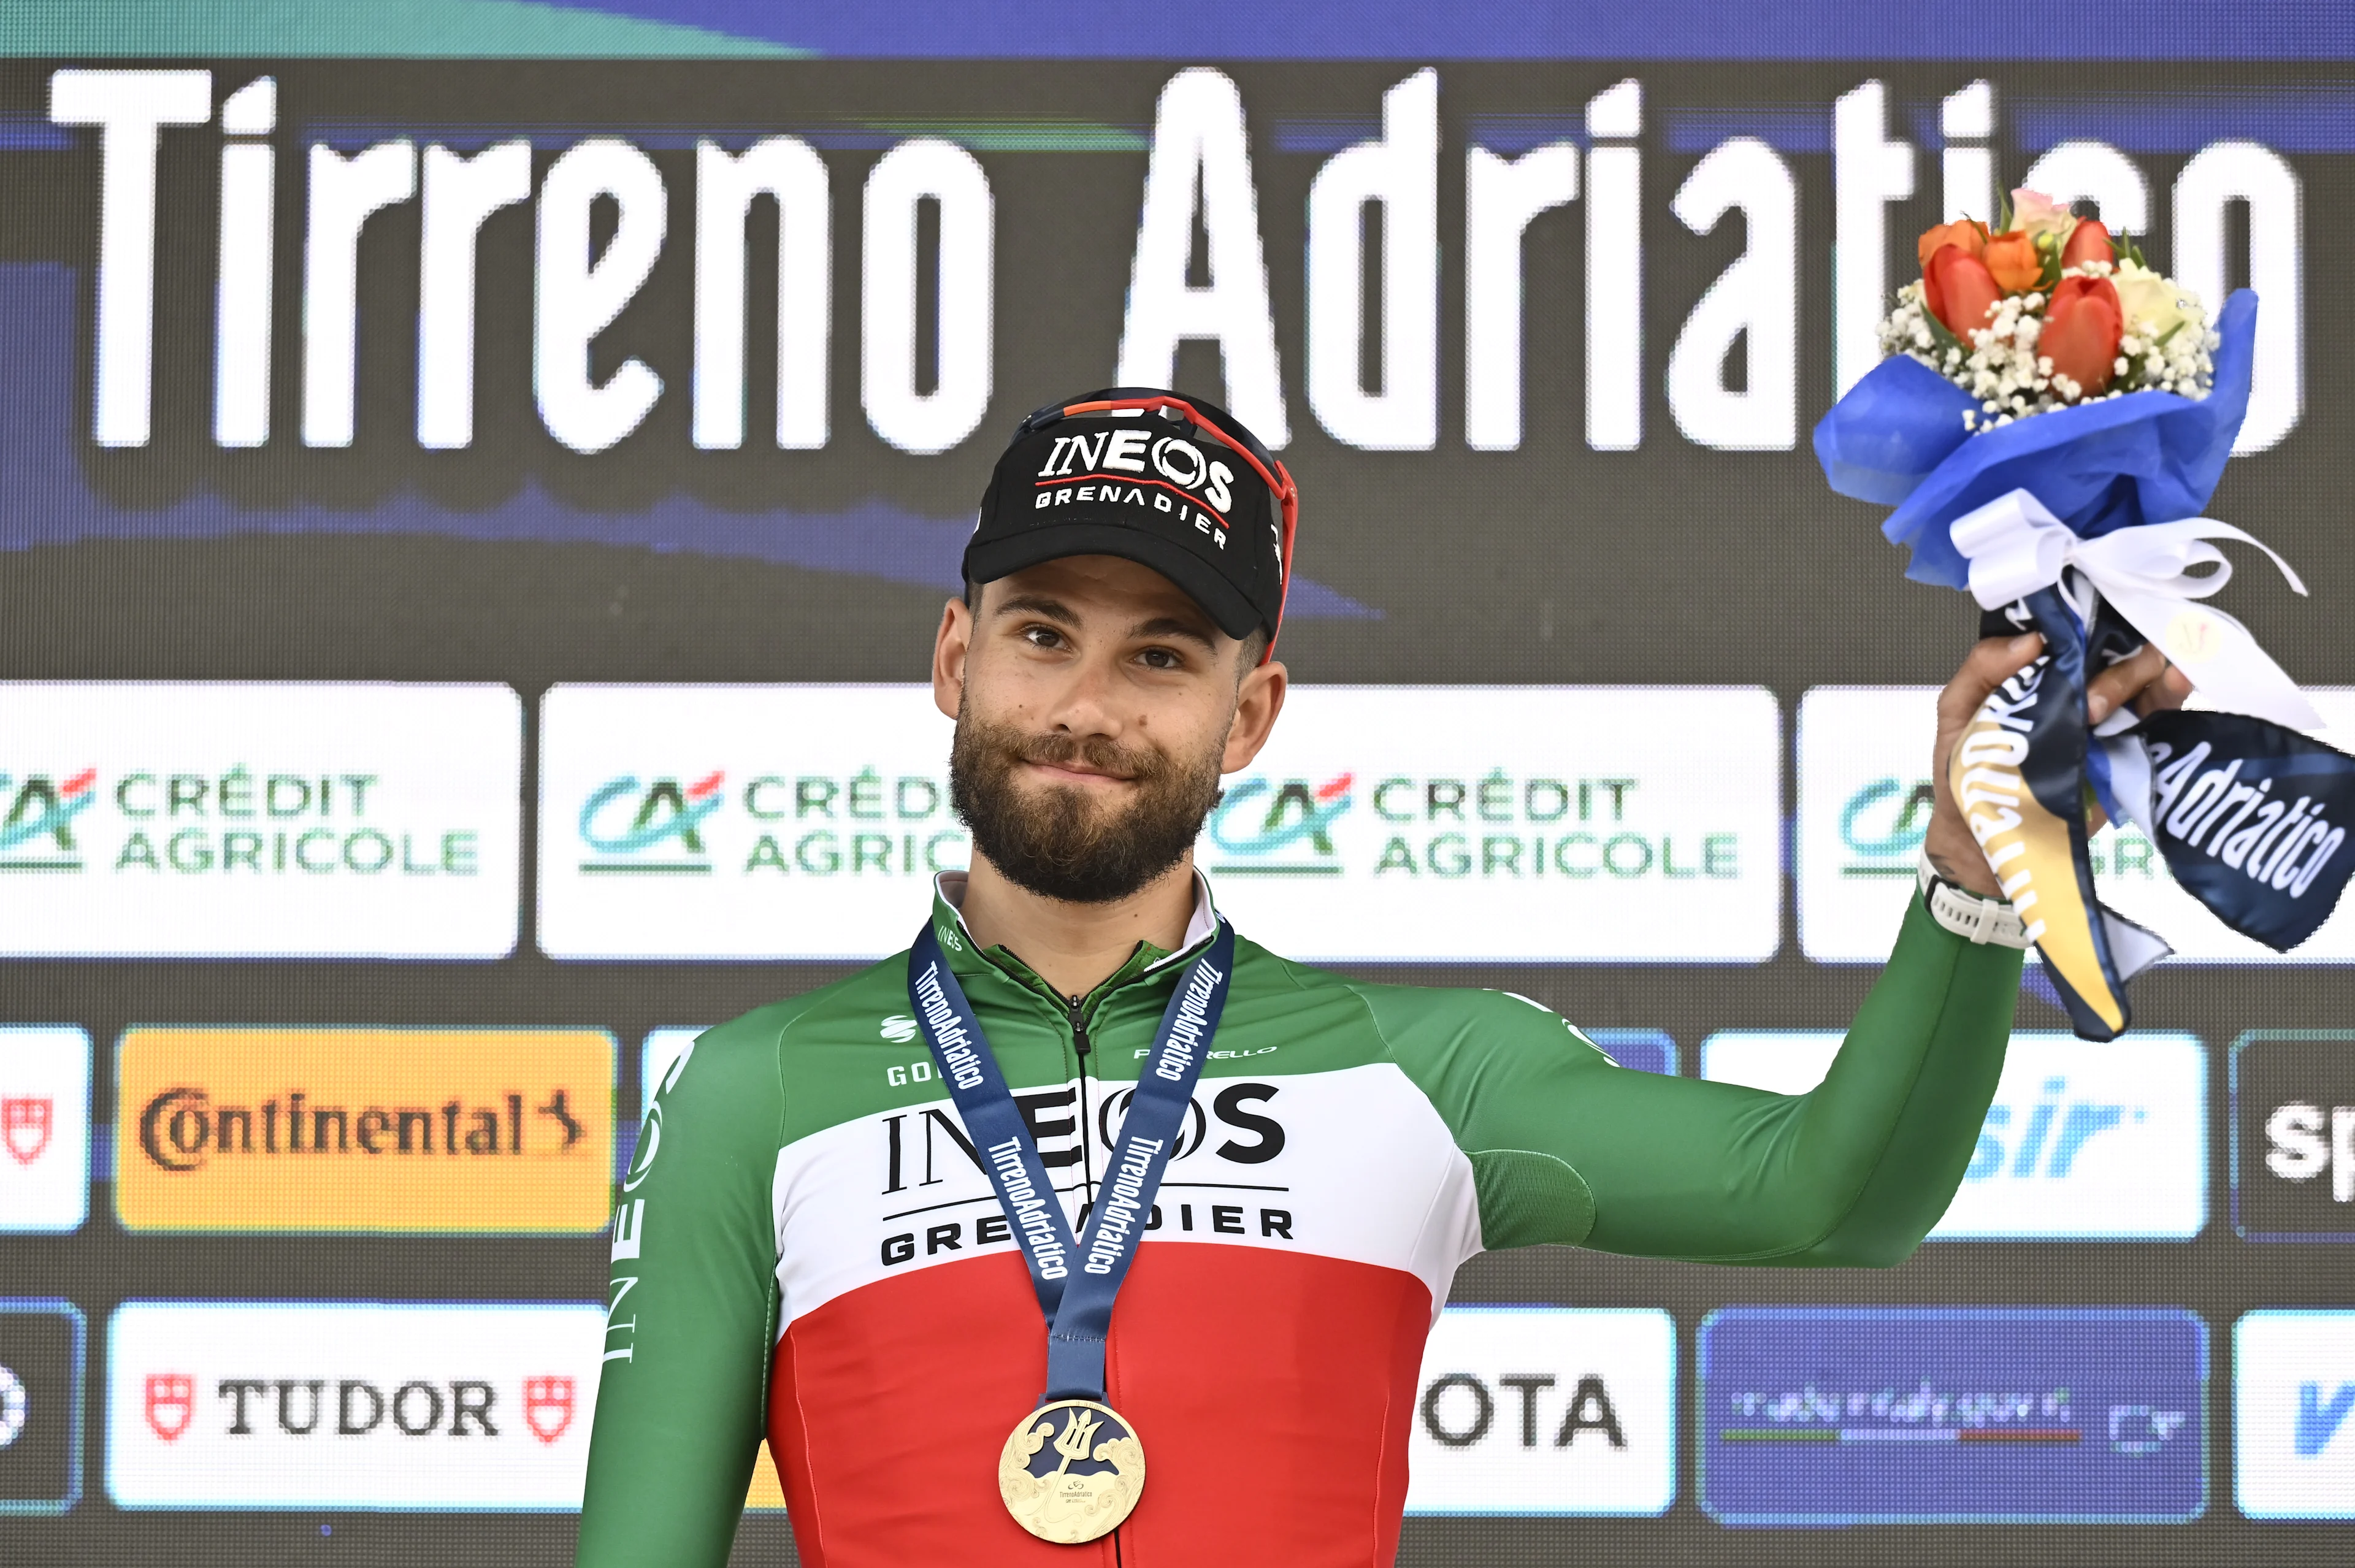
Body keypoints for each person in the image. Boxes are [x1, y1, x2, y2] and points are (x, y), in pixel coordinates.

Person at [574, 388, 2189, 1567]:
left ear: (1251, 711)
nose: (1083, 701)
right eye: (1043, 631)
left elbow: (1839, 1194)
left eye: (1160, 656)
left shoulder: (1425, 1070)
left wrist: (1981, 858)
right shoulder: (748, 1091)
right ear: (954, 657)